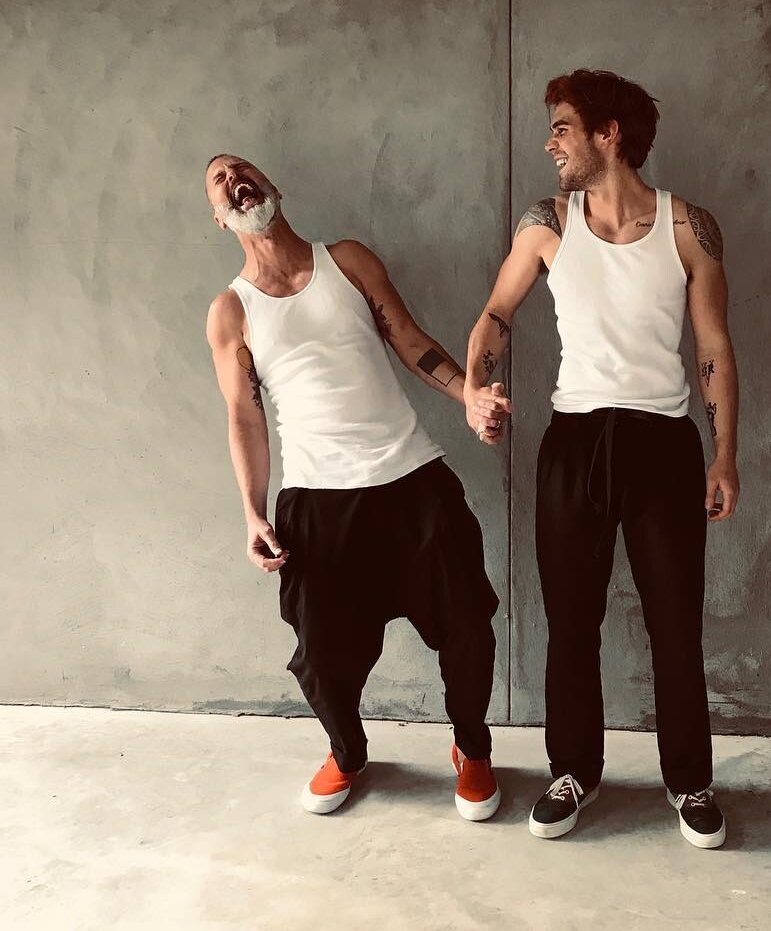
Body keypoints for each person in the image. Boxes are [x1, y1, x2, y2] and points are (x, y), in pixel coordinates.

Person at [463, 70, 740, 849]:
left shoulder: (689, 228)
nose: (550, 143)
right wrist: (475, 389)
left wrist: (725, 456)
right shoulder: (547, 223)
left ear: (608, 134)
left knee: (675, 625)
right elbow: (495, 314)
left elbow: (714, 348)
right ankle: (573, 772)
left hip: (663, 443)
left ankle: (690, 781)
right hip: (575, 442)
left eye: (562, 127)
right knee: (571, 623)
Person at [203, 153, 508, 820]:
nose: (234, 180)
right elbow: (245, 418)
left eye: (241, 169)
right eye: (219, 181)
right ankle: (348, 753)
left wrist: (469, 396)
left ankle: (472, 747)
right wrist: (253, 513)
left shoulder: (347, 261)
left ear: (273, 187)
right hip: (317, 501)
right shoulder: (232, 311)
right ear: (220, 219)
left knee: (467, 627)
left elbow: (410, 341)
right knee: (321, 658)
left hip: (414, 480)